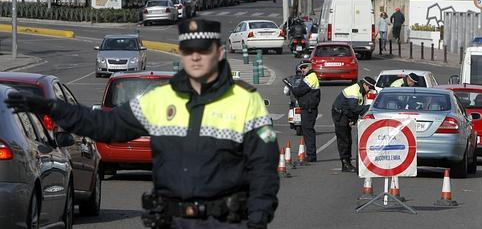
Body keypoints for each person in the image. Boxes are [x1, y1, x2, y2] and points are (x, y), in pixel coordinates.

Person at [5, 19, 279, 229]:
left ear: (219, 53)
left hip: (227, 223)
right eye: (189, 50)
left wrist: (258, 219)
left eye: (203, 50)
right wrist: (54, 108)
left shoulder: (244, 100)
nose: (196, 57)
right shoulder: (161, 99)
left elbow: (264, 168)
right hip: (172, 221)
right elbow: (106, 125)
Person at [331, 76, 376, 173]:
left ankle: (347, 162)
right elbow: (354, 108)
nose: (369, 91)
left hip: (345, 114)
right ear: (365, 84)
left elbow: (354, 109)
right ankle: (345, 164)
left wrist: (353, 119)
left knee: (348, 139)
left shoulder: (360, 91)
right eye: (369, 88)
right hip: (340, 114)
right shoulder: (354, 91)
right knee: (344, 139)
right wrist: (369, 108)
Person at [289, 60, 320, 162]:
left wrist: (291, 86)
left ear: (310, 67)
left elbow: (299, 91)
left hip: (309, 109)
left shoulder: (311, 77)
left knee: (308, 132)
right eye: (301, 68)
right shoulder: (307, 77)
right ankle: (311, 154)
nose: (302, 69)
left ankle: (311, 156)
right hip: (307, 108)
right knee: (307, 131)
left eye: (304, 67)